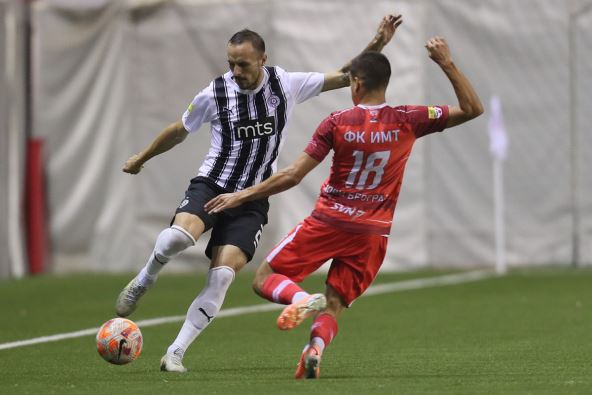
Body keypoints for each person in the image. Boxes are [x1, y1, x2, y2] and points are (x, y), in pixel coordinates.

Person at [114, 14, 403, 372]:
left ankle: (175, 353)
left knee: (221, 277)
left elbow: (345, 76)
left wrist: (378, 43)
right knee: (177, 238)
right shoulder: (216, 92)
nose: (236, 71)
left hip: (251, 198)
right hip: (213, 184)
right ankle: (145, 278)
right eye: (231, 63)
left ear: (262, 60)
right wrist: (141, 158)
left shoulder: (286, 84)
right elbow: (179, 129)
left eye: (243, 64)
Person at [204, 37, 484, 379]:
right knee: (334, 305)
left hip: (329, 222)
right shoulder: (409, 119)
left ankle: (299, 299)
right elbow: (472, 109)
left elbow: (292, 175)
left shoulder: (337, 122)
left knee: (264, 278)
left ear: (357, 84)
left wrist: (240, 195)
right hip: (372, 233)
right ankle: (314, 349)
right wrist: (446, 63)